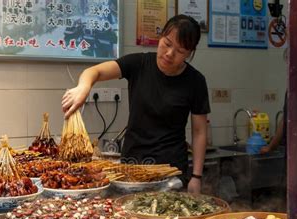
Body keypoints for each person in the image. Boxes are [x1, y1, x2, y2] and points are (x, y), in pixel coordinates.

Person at [62, 15, 210, 194]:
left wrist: (196, 176)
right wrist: (83, 87)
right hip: (132, 165)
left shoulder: (195, 81)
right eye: (167, 43)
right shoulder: (139, 64)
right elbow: (94, 71)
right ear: (161, 36)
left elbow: (199, 131)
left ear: (189, 53)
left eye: (180, 51)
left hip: (171, 170)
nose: (170, 53)